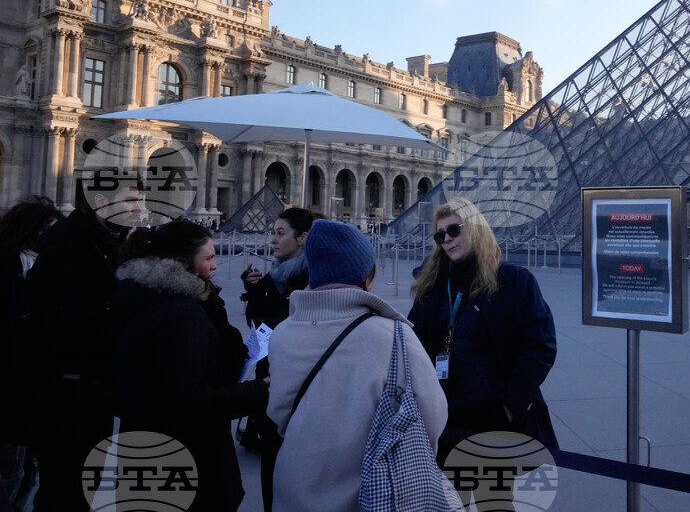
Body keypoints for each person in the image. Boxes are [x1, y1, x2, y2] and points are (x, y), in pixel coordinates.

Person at [267, 220, 447, 511]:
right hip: (370, 493)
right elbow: (432, 416)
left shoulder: (282, 334)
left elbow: (277, 413)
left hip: (294, 486)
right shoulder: (394, 336)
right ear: (367, 275)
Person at [408, 197, 557, 507]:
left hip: (492, 422)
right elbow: (412, 343)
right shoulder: (432, 286)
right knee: (448, 504)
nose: (447, 239)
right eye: (440, 235)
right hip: (443, 420)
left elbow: (540, 347)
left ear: (475, 229)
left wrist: (507, 406)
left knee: (495, 503)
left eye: (454, 230)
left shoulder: (513, 282)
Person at [115, 221, 268, 511]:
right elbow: (188, 401)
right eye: (209, 258)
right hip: (187, 458)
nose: (215, 266)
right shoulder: (182, 316)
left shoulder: (146, 296)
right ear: (183, 263)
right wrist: (258, 390)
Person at [23, 187, 137, 512]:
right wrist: (120, 332)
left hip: (88, 389)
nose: (139, 207)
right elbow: (50, 328)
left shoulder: (103, 244)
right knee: (64, 489)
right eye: (131, 199)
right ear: (101, 202)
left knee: (78, 487)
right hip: (67, 392)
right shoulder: (69, 249)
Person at [239, 208, 312, 511]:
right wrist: (255, 290)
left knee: (290, 462)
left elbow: (286, 322)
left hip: (295, 381)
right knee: (270, 457)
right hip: (269, 374)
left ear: (303, 238)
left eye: (281, 233)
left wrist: (266, 289)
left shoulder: (310, 277)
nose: (273, 239)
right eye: (273, 231)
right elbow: (258, 323)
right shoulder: (280, 271)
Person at [0, 197, 62, 511]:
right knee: (12, 465)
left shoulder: (45, 264)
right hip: (14, 380)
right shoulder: (11, 265)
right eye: (48, 230)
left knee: (30, 466)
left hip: (36, 381)